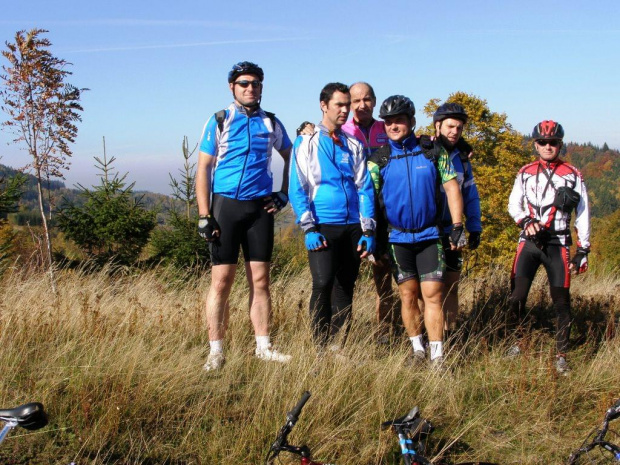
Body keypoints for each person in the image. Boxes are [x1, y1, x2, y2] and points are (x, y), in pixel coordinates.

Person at [196, 61, 293, 371]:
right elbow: (203, 168)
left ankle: (263, 347)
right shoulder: (220, 121)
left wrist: (284, 192)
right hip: (225, 207)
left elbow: (292, 155)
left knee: (261, 281)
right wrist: (203, 215)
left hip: (259, 210)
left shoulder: (272, 123)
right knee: (221, 282)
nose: (251, 88)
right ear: (232, 87)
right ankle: (216, 351)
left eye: (256, 84)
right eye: (244, 84)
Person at [367, 95, 464, 366]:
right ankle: (417, 350)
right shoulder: (379, 160)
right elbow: (369, 201)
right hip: (397, 239)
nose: (393, 126)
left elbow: (452, 187)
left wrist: (458, 226)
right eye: (388, 122)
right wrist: (371, 237)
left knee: (433, 295)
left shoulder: (432, 152)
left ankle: (438, 356)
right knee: (407, 295)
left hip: (430, 235)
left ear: (411, 121)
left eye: (399, 120)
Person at [298, 82, 398, 342]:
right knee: (322, 284)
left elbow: (364, 187)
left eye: (346, 105)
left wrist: (367, 228)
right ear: (324, 105)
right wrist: (308, 227)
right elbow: (298, 187)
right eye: (339, 105)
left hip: (353, 225)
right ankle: (319, 346)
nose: (345, 110)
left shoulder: (352, 144)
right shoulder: (306, 141)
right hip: (323, 224)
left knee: (345, 286)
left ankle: (338, 345)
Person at [507, 120, 590, 374]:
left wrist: (583, 249)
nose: (547, 146)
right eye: (542, 142)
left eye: (552, 142)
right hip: (529, 241)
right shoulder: (525, 171)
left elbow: (584, 211)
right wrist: (526, 220)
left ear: (560, 144)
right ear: (535, 144)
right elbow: (513, 205)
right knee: (517, 296)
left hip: (559, 241)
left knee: (561, 302)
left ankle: (561, 354)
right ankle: (517, 342)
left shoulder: (573, 174)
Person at [433, 103, 482, 336]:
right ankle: (430, 334)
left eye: (459, 128)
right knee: (431, 290)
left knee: (451, 286)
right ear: (438, 125)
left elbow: (471, 196)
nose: (454, 131)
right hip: (428, 231)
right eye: (450, 126)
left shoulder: (463, 159)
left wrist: (474, 227)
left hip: (453, 231)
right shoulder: (425, 152)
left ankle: (449, 334)